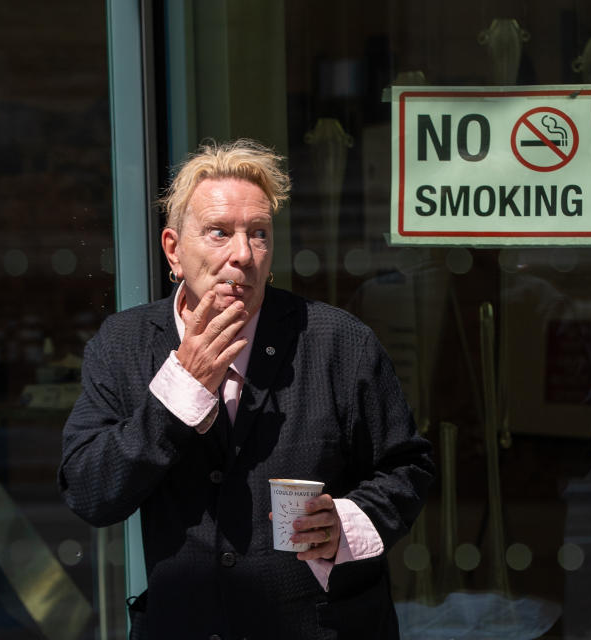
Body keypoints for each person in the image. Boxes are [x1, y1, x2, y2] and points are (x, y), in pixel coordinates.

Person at [59, 139, 435, 639]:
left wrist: (347, 522)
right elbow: (89, 491)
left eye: (258, 233)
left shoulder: (336, 341)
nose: (243, 255)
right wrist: (181, 389)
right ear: (173, 249)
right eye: (219, 232)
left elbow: (407, 467)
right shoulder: (125, 344)